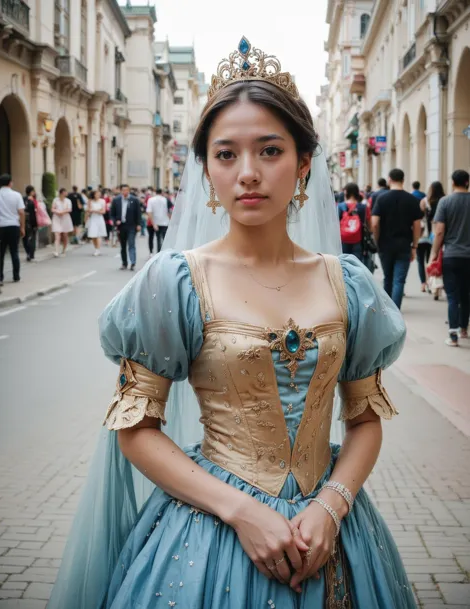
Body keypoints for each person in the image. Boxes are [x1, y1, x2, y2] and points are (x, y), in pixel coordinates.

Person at [48, 39, 416, 609]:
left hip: (335, 534)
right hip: (210, 534)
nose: (248, 173)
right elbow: (136, 430)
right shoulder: (172, 283)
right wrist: (242, 512)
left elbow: (365, 419)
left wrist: (331, 504)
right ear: (206, 170)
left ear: (303, 164)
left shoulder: (350, 283)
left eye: (270, 150)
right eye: (226, 154)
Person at [429, 169, 470, 347]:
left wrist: (434, 254)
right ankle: (463, 329)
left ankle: (453, 335)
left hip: (451, 256)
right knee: (466, 294)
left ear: (452, 183)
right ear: (467, 182)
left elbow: (439, 231)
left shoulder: (445, 202)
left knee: (452, 295)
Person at [371, 168, 423, 309]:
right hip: (404, 244)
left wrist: (377, 241)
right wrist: (415, 246)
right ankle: (396, 311)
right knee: (399, 280)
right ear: (403, 180)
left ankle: (387, 311)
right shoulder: (412, 199)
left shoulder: (381, 198)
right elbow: (417, 225)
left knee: (387, 278)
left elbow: (375, 223)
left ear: (389, 179)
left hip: (385, 244)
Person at [418, 181, 445, 295]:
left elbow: (420, 217)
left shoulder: (424, 201)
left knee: (420, 260)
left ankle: (424, 283)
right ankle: (433, 282)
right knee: (433, 260)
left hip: (423, 235)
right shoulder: (444, 201)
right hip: (436, 235)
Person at [0, 174, 25, 285]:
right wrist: (22, 227)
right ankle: (16, 276)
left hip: (0, 227)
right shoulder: (16, 195)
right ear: (10, 183)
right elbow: (21, 212)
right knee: (14, 251)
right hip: (14, 225)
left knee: (0, 253)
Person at [111, 184, 142, 271]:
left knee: (131, 244)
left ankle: (132, 262)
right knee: (123, 245)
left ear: (129, 191)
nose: (125, 192)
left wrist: (139, 224)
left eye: (127, 190)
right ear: (121, 191)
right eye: (123, 190)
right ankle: (124, 263)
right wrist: (115, 221)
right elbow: (112, 214)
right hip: (121, 226)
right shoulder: (116, 200)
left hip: (132, 225)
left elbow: (138, 213)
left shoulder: (134, 200)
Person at [337, 182, 367, 261]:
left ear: (346, 192)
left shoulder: (340, 206)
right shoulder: (362, 207)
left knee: (344, 263)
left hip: (343, 239)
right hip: (358, 239)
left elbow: (336, 223)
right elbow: (365, 223)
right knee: (357, 264)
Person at [147, 188, 171, 254]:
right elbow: (170, 211)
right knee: (164, 239)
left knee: (157, 239)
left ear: (155, 192)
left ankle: (156, 253)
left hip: (155, 222)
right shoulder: (166, 200)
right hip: (165, 222)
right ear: (162, 192)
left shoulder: (151, 200)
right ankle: (165, 253)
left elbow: (149, 212)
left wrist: (153, 223)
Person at [51, 188, 74, 257]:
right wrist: (57, 212)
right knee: (57, 234)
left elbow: (69, 209)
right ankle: (56, 251)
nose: (66, 193)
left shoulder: (68, 201)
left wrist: (62, 212)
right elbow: (52, 208)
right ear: (61, 193)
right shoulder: (55, 200)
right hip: (57, 218)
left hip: (65, 218)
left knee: (65, 235)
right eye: (65, 192)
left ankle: (64, 250)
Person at [86, 190, 107, 256]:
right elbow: (88, 210)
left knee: (98, 234)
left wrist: (95, 211)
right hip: (92, 219)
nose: (98, 195)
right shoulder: (90, 201)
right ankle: (96, 248)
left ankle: (98, 249)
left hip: (99, 218)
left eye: (99, 194)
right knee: (93, 235)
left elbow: (103, 211)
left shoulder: (102, 201)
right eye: (97, 194)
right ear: (93, 195)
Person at [23, 185, 38, 262]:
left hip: (25, 221)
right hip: (30, 221)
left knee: (26, 238)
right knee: (31, 239)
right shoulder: (31, 200)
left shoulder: (24, 199)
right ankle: (30, 254)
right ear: (31, 192)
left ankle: (29, 253)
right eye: (33, 191)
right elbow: (33, 213)